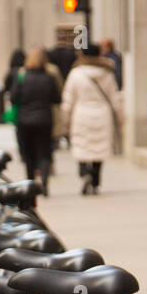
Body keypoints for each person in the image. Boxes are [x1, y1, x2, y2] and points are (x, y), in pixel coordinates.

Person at [60, 45, 122, 195]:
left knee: (82, 146)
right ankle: (95, 181)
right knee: (99, 149)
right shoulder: (107, 73)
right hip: (102, 113)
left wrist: (65, 118)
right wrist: (120, 118)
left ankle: (84, 172)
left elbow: (68, 98)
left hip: (82, 113)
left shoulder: (76, 73)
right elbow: (115, 97)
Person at [10, 45, 61, 194]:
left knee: (29, 155)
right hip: (44, 119)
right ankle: (44, 180)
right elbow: (57, 99)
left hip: (24, 120)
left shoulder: (22, 77)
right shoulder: (49, 77)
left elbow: (13, 98)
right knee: (44, 153)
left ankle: (30, 184)